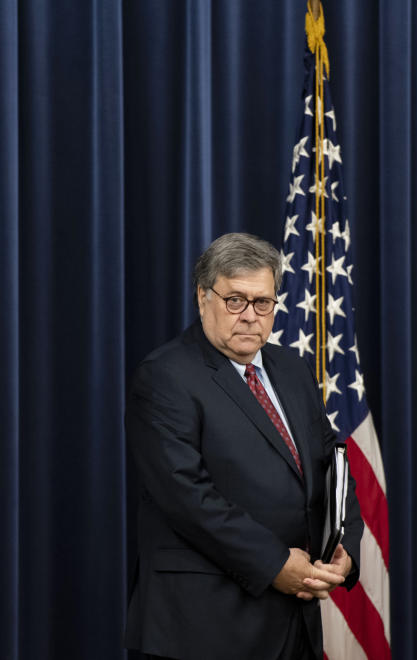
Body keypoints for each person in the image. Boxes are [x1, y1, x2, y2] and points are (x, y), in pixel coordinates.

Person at [124, 233, 363, 660]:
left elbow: (333, 465)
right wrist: (275, 564)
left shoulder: (291, 368)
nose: (251, 316)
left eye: (263, 302)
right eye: (235, 300)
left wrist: (346, 551)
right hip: (205, 629)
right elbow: (188, 498)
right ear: (203, 297)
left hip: (296, 619)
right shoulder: (165, 377)